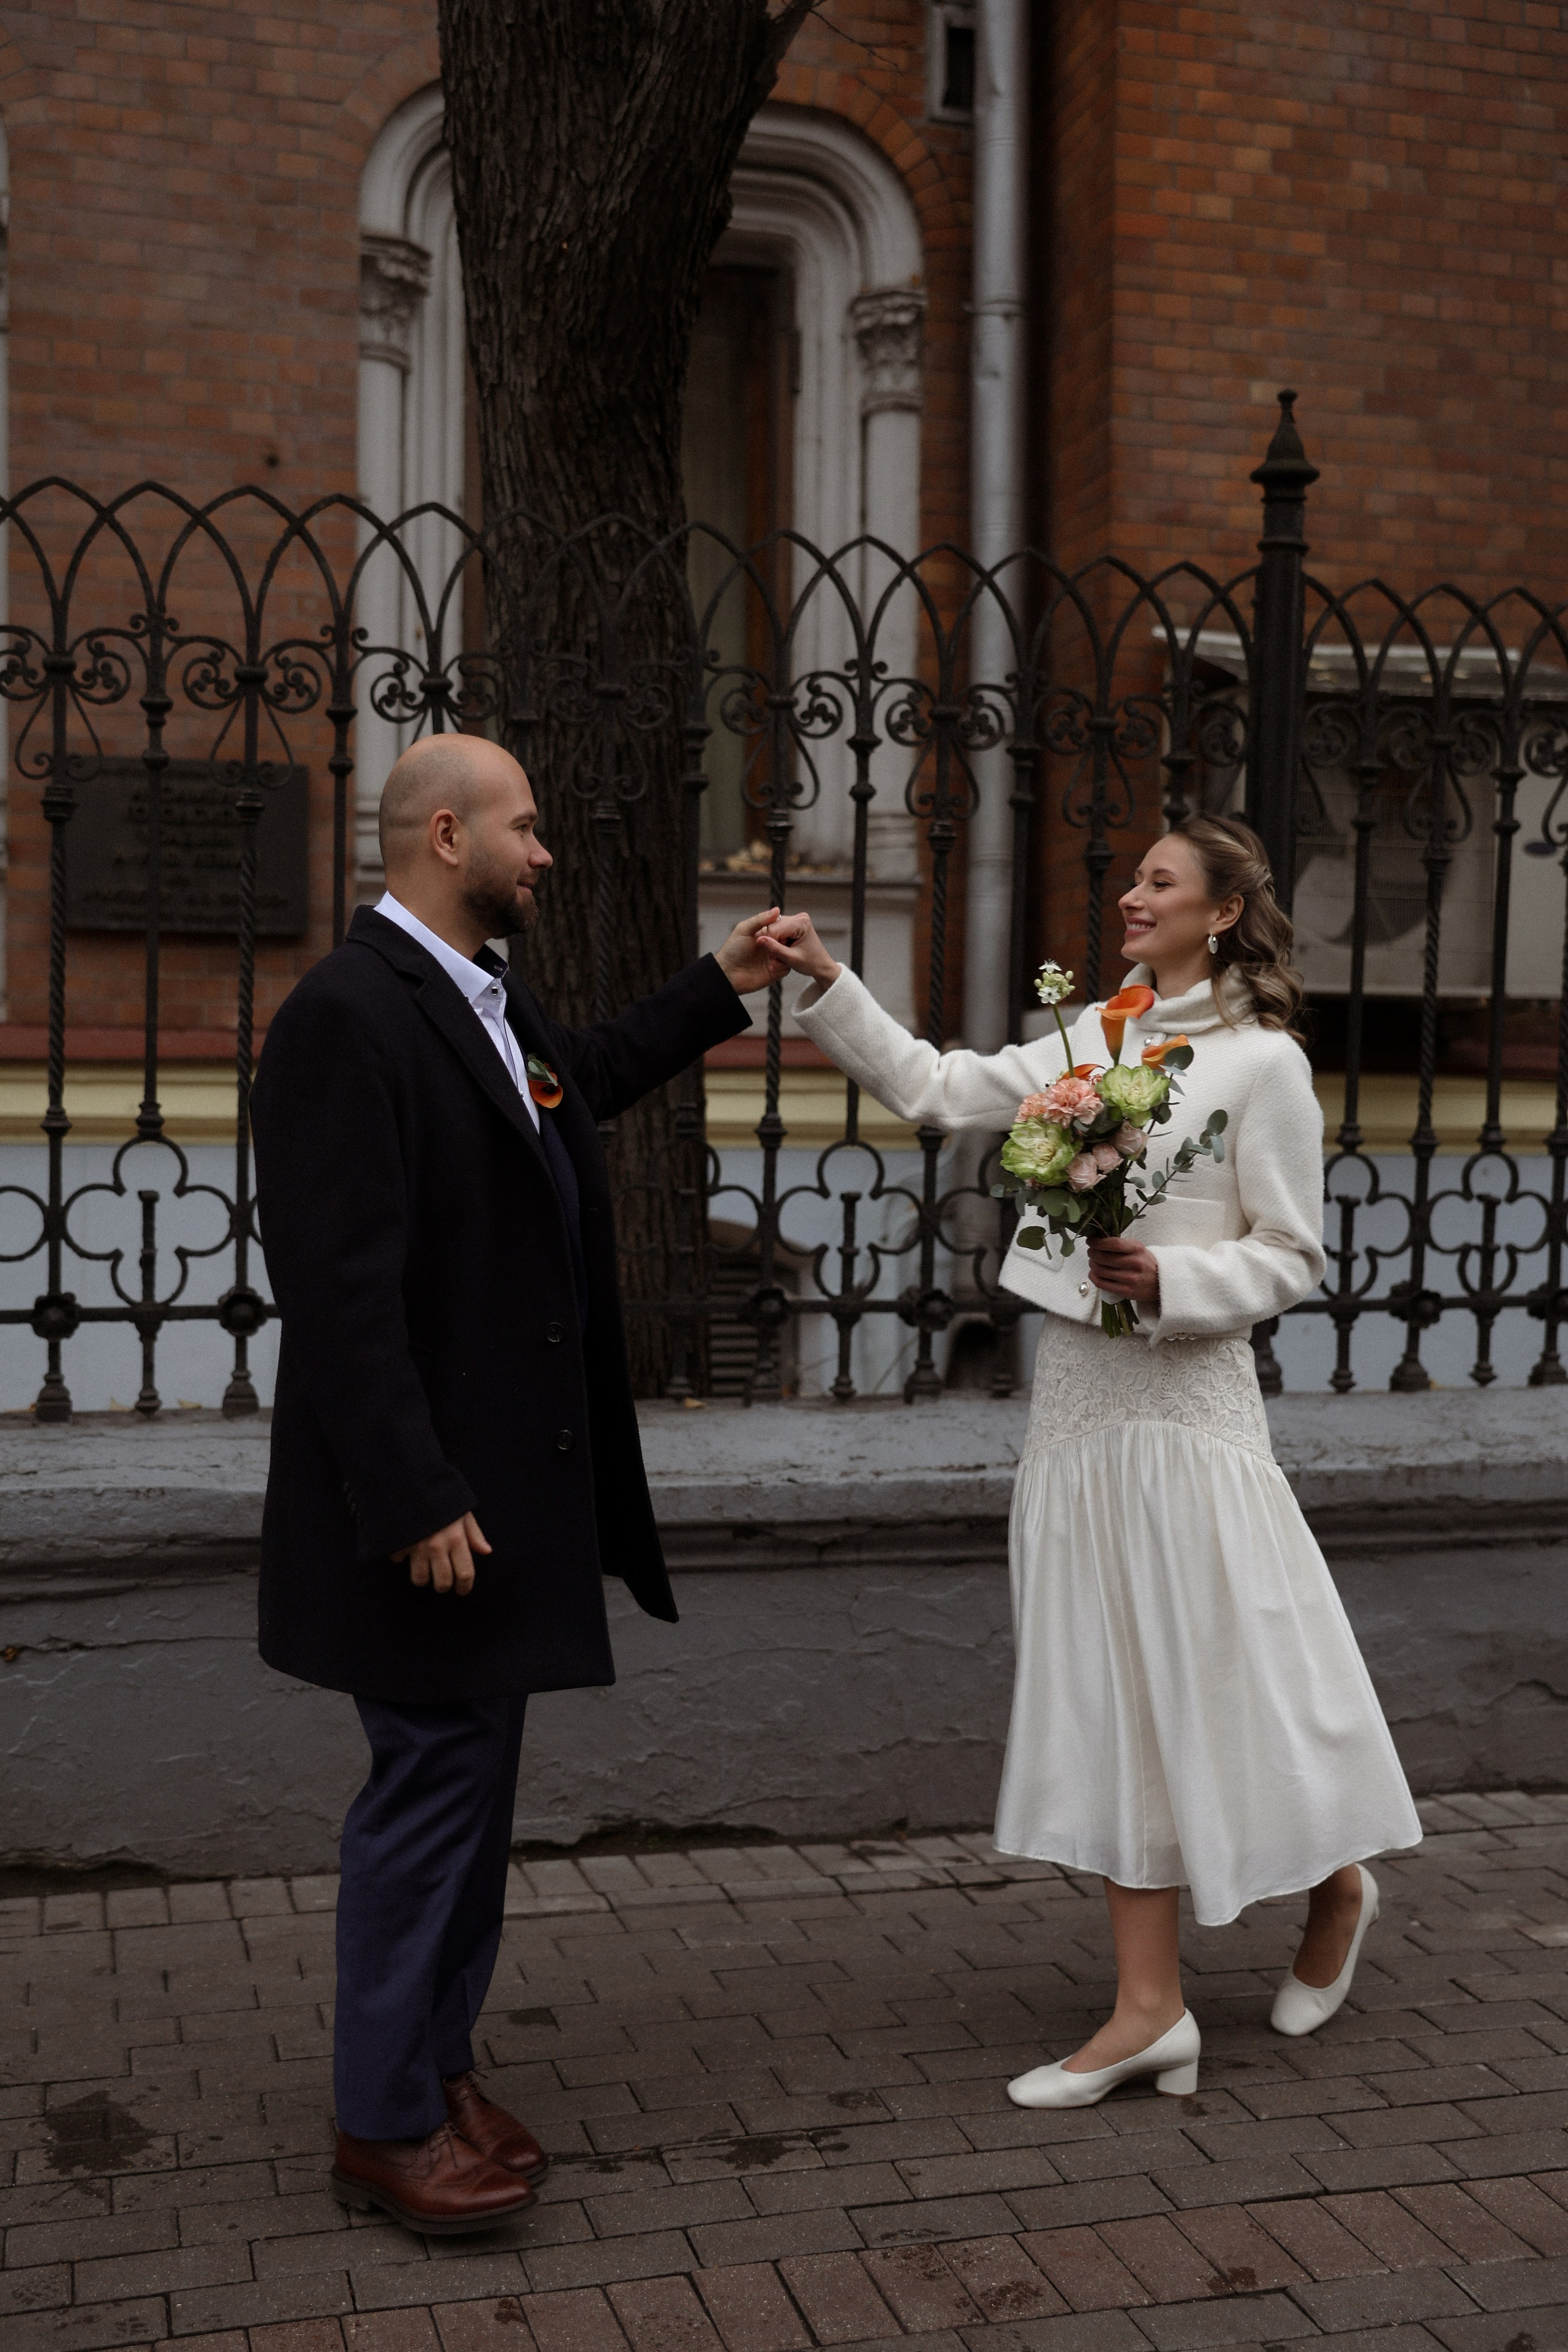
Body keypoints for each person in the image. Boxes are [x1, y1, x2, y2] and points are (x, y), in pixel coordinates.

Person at [759, 815, 1420, 2108]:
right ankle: (1149, 2009)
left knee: (1232, 1678)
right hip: (1077, 1404)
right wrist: (826, 982)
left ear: (1219, 911)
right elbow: (937, 1088)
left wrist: (1168, 1277)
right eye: (1132, 878)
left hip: (1189, 1407)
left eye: (1160, 881)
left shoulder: (1265, 1065)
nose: (1132, 894)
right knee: (1111, 1685)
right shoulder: (1092, 1036)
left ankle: (1337, 1882)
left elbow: (1291, 1253)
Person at [250, 734, 777, 2230]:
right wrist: (413, 1493)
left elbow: (577, 1082)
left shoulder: (478, 994)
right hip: (429, 1509)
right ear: (444, 835)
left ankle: (435, 2067)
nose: (544, 854)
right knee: (427, 1800)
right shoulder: (347, 1012)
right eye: (524, 828)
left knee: (470, 1803)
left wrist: (721, 981)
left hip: (497, 1502)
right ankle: (381, 2123)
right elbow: (338, 1293)